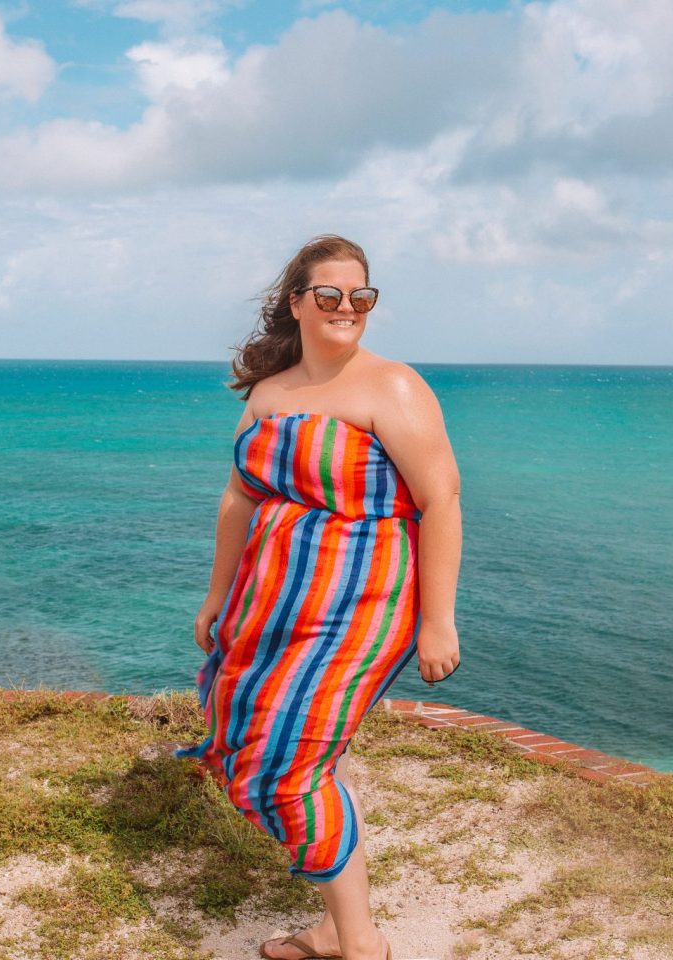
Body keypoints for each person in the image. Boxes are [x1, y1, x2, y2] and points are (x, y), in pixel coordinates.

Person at [176, 235, 462, 960]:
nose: (346, 308)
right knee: (280, 752)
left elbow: (442, 501)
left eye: (360, 296)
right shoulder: (271, 392)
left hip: (362, 611)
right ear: (298, 303)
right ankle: (337, 928)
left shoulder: (392, 387)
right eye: (329, 295)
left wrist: (437, 622)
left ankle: (360, 946)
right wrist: (217, 595)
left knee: (291, 766)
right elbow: (239, 500)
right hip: (271, 606)